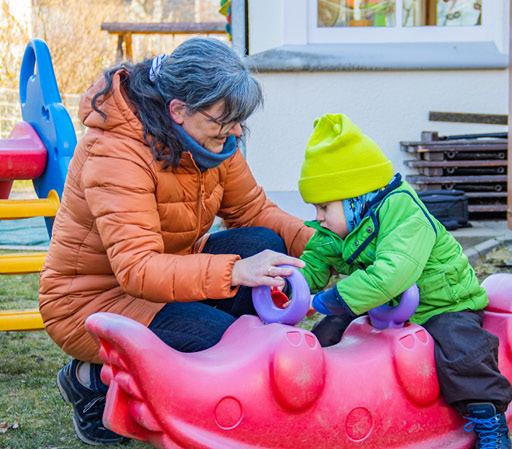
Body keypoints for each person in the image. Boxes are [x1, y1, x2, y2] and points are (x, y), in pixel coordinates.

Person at [41, 38, 313, 445]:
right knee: (228, 349)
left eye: (238, 119)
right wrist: (236, 271)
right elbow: (136, 270)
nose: (236, 130)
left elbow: (255, 211)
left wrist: (328, 247)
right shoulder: (116, 152)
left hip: (166, 276)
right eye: (225, 119)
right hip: (93, 300)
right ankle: (91, 379)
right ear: (178, 111)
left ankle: (159, 361)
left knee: (263, 240)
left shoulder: (212, 140)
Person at [296, 113, 511, 448]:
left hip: (441, 303)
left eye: (324, 206)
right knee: (327, 332)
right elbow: (315, 263)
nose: (319, 217)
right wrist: (291, 287)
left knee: (462, 350)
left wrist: (324, 300)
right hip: (380, 305)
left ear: (356, 197)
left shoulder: (404, 212)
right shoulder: (339, 228)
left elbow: (390, 275)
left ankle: (488, 419)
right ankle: (324, 407)